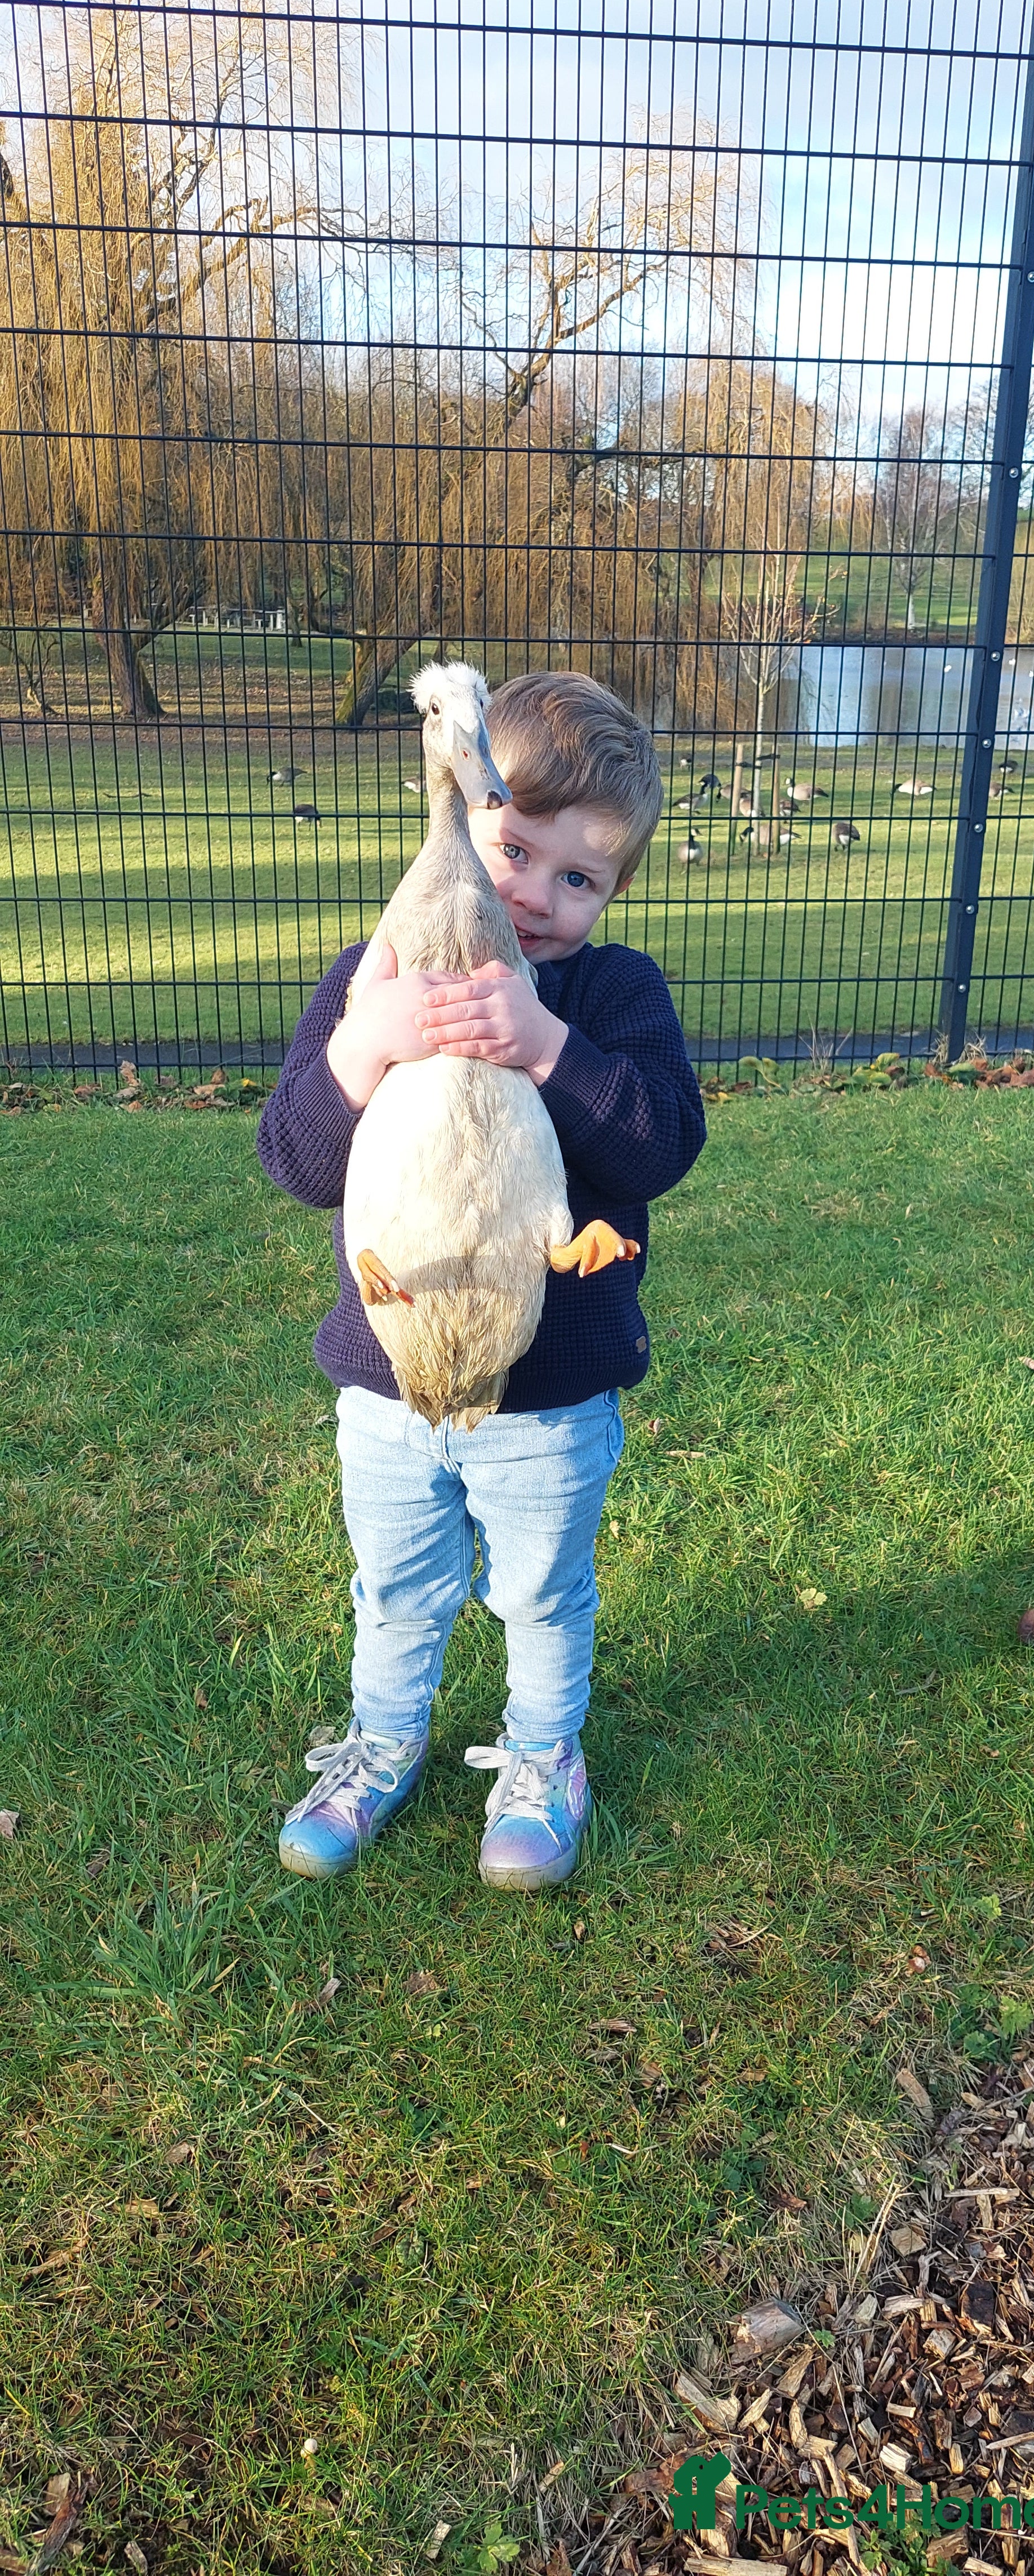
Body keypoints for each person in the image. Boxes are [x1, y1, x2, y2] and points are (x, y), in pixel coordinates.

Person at [256, 670, 706, 1890]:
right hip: (385, 1384)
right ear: (463, 809)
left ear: (615, 891)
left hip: (552, 1395)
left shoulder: (611, 996)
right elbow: (297, 1158)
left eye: (582, 876)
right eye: (516, 848)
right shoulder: (378, 976)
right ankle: (382, 1744)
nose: (537, 894)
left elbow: (663, 1138)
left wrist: (550, 1046)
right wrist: (369, 1045)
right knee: (397, 1585)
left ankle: (540, 1754)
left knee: (538, 1590)